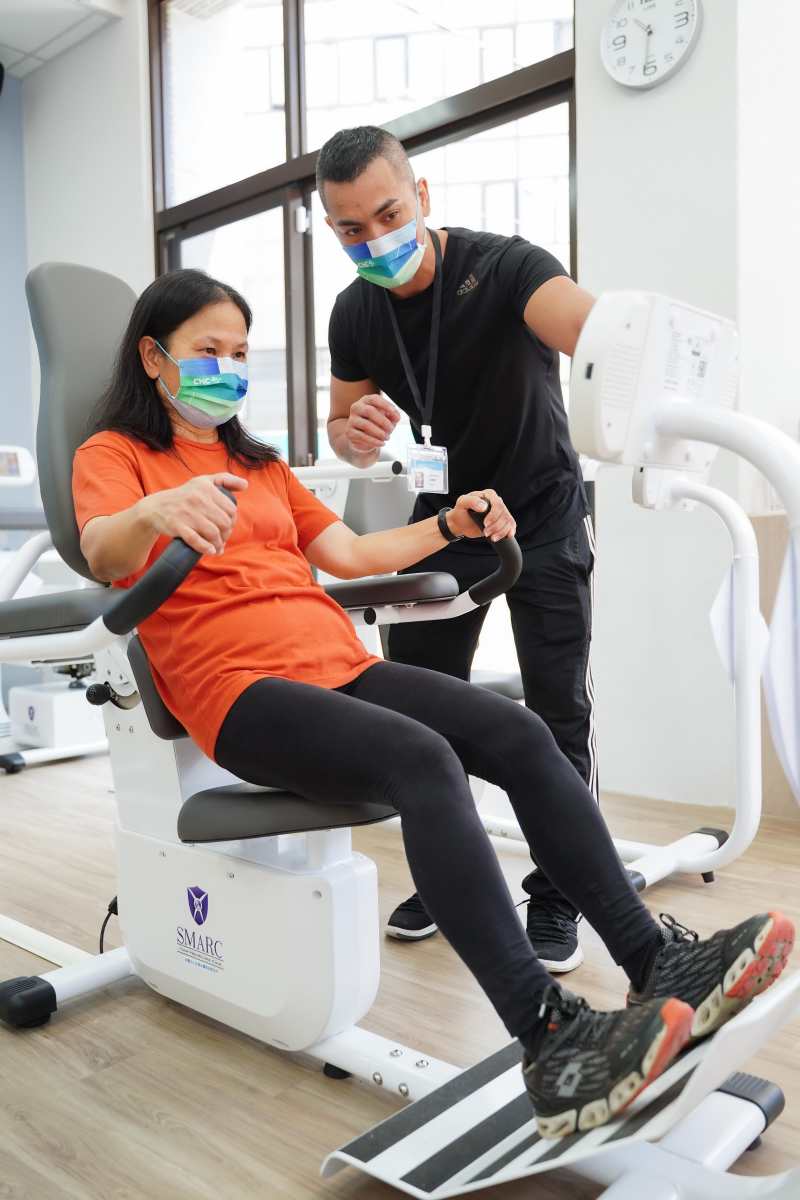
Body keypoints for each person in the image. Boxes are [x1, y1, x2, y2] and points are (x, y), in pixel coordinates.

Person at [71, 268, 794, 1139]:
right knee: (423, 761)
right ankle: (549, 1038)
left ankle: (653, 958)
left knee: (517, 731)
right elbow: (103, 549)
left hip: (336, 663)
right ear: (155, 359)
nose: (225, 369)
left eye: (238, 353)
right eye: (206, 351)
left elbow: (351, 552)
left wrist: (452, 523)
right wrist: (161, 509)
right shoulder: (113, 455)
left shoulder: (258, 464)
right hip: (238, 692)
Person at [318, 126, 598, 970]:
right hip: (448, 520)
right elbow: (343, 431)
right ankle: (452, 877)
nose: (374, 239)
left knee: (557, 711)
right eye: (351, 229)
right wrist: (355, 436)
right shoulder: (355, 311)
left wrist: (630, 351)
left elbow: (590, 332)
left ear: (422, 196)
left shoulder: (505, 266)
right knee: (419, 711)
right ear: (332, 229)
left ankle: (558, 894)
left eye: (388, 214)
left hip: (542, 512)